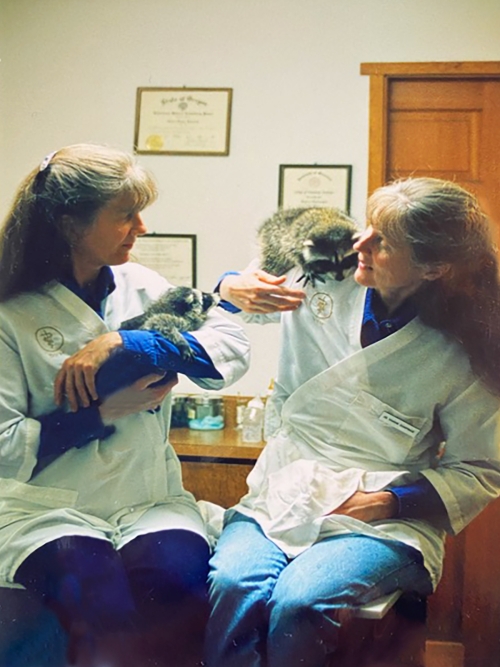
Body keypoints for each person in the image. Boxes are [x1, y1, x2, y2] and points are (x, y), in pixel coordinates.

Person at [204, 178, 500, 667]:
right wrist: (226, 285)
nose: (359, 243)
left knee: (301, 601)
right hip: (285, 490)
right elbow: (236, 306)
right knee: (235, 585)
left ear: (433, 267)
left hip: (383, 519)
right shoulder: (323, 274)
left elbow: (482, 468)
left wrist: (387, 502)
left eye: (382, 241)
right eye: (366, 227)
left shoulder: (462, 349)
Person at [0, 143, 250, 667]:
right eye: (126, 216)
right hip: (47, 510)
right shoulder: (11, 314)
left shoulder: (143, 287)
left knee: (178, 587)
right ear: (71, 225)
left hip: (148, 499)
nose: (142, 227)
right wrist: (105, 412)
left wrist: (130, 343)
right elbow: (4, 446)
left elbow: (230, 348)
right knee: (100, 604)